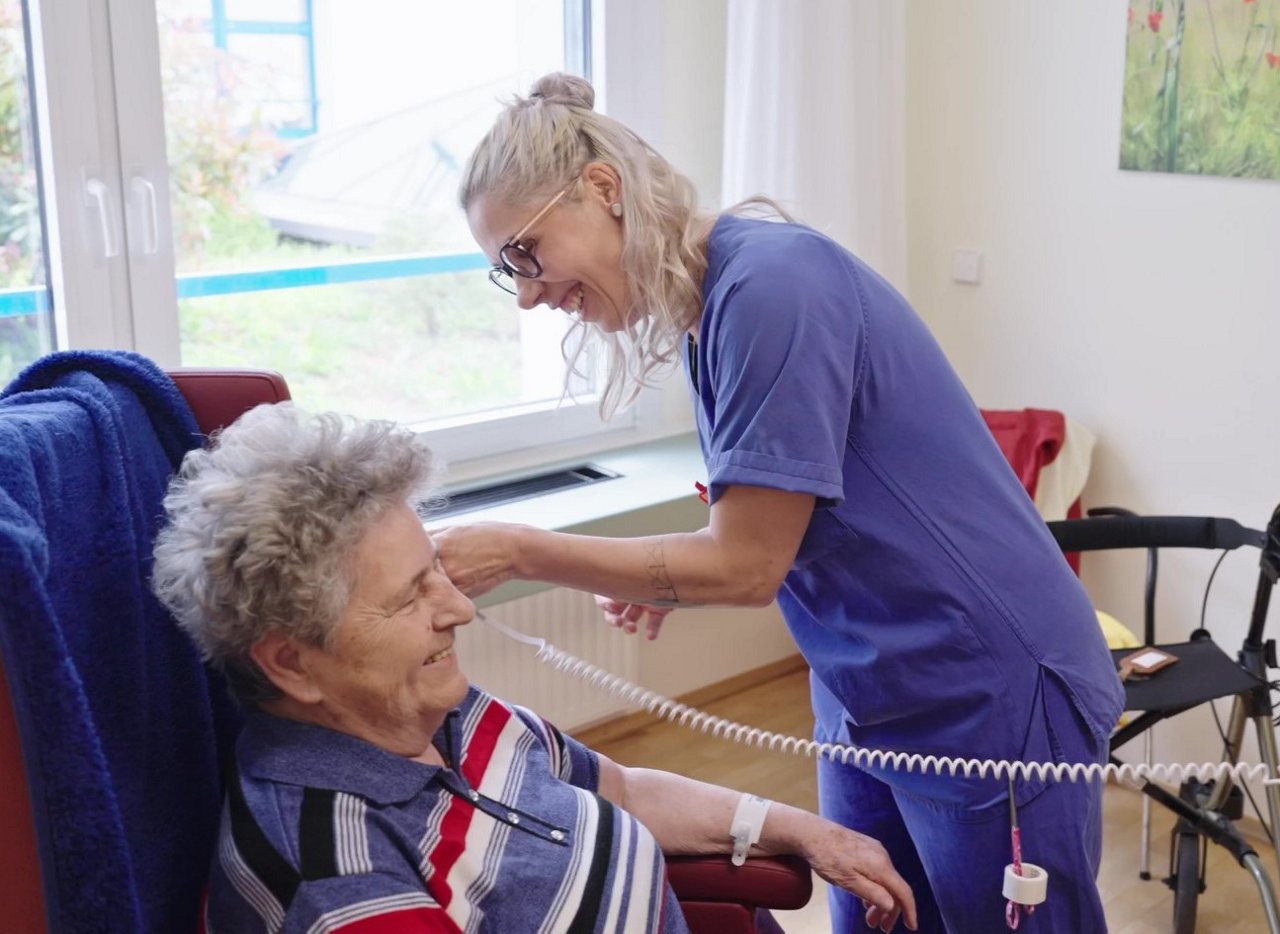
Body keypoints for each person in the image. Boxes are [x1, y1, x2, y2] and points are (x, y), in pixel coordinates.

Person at [437, 72, 1126, 933]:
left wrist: (521, 550)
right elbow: (773, 520)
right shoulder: (707, 310)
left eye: (524, 255)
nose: (530, 293)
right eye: (508, 273)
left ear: (602, 190)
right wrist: (665, 578)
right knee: (877, 915)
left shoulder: (772, 286)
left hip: (984, 686)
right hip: (867, 688)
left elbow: (746, 564)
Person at [150, 403, 916, 934]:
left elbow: (622, 787)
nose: (455, 609)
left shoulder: (441, 711)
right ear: (293, 663)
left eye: (437, 572)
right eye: (409, 597)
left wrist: (805, 831)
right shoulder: (335, 875)